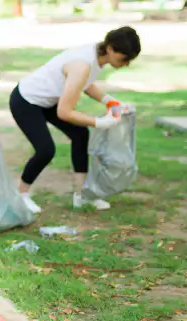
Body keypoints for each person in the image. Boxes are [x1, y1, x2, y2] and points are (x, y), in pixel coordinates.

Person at [10, 26, 141, 213]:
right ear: (110, 48)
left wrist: (110, 101)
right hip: (26, 100)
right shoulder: (82, 64)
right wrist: (99, 122)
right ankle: (21, 195)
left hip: (49, 100)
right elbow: (64, 112)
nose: (126, 64)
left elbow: (85, 83)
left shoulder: (96, 56)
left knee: (80, 134)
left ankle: (82, 195)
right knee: (45, 150)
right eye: (124, 58)